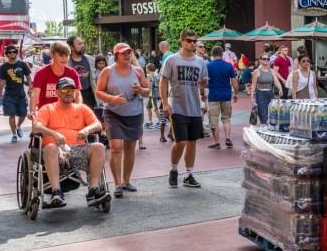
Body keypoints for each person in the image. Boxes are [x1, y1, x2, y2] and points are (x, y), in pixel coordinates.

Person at [32, 76, 110, 210]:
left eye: (71, 90)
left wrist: (87, 129)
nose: (68, 93)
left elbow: (97, 124)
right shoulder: (48, 109)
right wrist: (53, 133)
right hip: (55, 151)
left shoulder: (81, 108)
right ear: (57, 92)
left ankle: (93, 191)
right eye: (64, 90)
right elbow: (36, 127)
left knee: (98, 146)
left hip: (77, 149)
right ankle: (57, 192)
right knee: (50, 147)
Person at [95, 43, 148, 198]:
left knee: (130, 148)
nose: (127, 55)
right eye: (123, 53)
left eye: (129, 52)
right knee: (116, 147)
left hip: (134, 113)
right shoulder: (107, 71)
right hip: (113, 113)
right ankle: (117, 183)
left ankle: (126, 181)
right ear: (116, 55)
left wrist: (141, 90)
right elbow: (99, 91)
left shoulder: (137, 71)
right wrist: (112, 98)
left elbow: (147, 90)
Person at [160, 30, 209, 188]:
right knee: (180, 141)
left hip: (194, 107)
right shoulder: (172, 60)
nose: (192, 44)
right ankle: (174, 170)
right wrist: (165, 103)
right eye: (189, 41)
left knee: (192, 142)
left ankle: (189, 174)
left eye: (195, 41)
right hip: (177, 106)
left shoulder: (200, 62)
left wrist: (203, 85)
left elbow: (203, 83)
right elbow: (163, 81)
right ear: (181, 41)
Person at [30, 41, 81, 117]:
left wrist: (78, 109)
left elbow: (77, 95)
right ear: (52, 55)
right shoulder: (41, 73)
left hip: (67, 115)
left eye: (67, 56)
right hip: (46, 115)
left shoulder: (72, 73)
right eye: (61, 55)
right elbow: (35, 94)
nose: (64, 58)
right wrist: (32, 111)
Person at [0, 45, 32, 143]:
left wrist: (30, 87)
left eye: (14, 52)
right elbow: (2, 81)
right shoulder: (4, 67)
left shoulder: (22, 64)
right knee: (11, 115)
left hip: (21, 93)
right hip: (9, 94)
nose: (12, 54)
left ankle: (18, 126)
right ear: (7, 54)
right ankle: (14, 134)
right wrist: (0, 94)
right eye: (10, 52)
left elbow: (28, 77)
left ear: (16, 53)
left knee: (23, 113)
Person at [206, 45, 239, 149]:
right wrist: (236, 93)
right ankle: (228, 138)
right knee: (226, 119)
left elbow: (204, 81)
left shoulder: (208, 66)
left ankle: (216, 142)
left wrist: (202, 93)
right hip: (226, 95)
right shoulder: (228, 66)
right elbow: (234, 81)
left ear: (212, 54)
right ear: (221, 54)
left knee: (213, 120)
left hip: (213, 95)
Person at [249, 54, 283, 124]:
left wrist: (280, 88)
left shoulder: (271, 71)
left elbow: (276, 81)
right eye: (264, 59)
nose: (266, 60)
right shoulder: (257, 71)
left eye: (268, 59)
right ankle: (264, 128)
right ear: (260, 60)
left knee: (271, 113)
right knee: (263, 114)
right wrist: (252, 97)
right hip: (260, 94)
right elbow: (253, 84)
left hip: (270, 94)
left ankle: (270, 129)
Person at [67, 35, 97, 114]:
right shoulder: (66, 62)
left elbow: (94, 79)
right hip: (72, 95)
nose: (82, 45)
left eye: (82, 43)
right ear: (71, 47)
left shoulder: (90, 59)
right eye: (79, 44)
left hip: (89, 94)